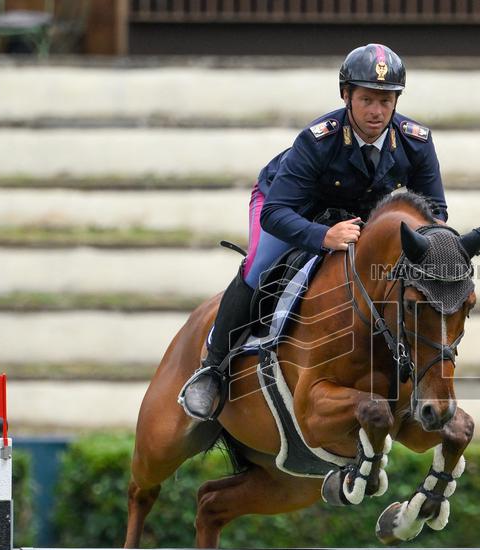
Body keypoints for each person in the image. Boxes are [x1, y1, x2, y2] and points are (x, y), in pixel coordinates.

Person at [180, 42, 448, 420]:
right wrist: (322, 237)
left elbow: (434, 213)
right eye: (368, 99)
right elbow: (275, 213)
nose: (377, 111)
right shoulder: (319, 139)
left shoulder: (415, 142)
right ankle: (213, 367)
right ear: (346, 96)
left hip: (356, 219)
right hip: (288, 206)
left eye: (387, 101)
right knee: (259, 268)